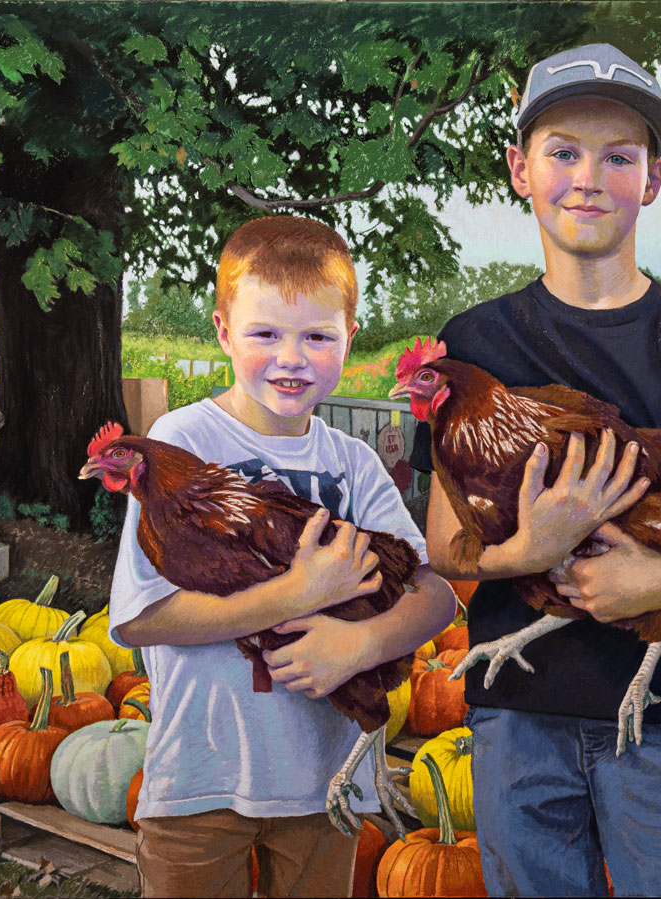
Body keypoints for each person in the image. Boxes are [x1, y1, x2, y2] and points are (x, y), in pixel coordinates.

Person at [408, 43, 661, 897]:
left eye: (617, 156)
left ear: (653, 179)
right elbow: (446, 541)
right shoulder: (474, 341)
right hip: (516, 715)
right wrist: (532, 546)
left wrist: (648, 576)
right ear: (521, 169)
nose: (588, 177)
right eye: (563, 151)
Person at [109, 215, 457, 899]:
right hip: (200, 776)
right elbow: (141, 615)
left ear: (349, 341)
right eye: (266, 333)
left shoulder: (351, 463)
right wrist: (297, 593)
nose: (291, 357)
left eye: (317, 337)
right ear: (223, 330)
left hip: (324, 780)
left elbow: (438, 589)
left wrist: (360, 643)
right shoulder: (180, 442)